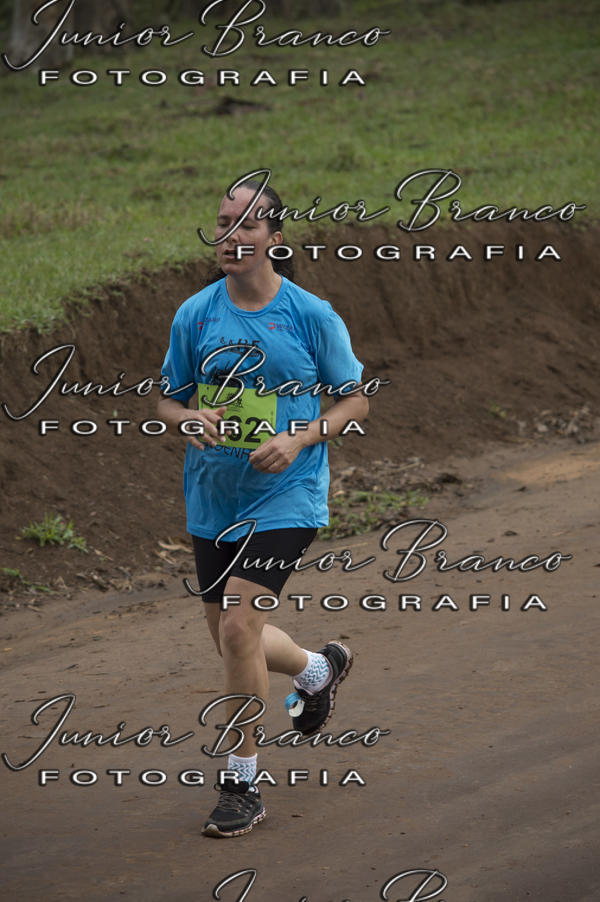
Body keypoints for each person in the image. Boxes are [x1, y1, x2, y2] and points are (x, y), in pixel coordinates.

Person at [157, 174, 369, 838]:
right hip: (214, 499)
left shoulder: (310, 314)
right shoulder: (195, 314)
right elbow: (166, 399)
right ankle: (317, 669)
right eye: (222, 223)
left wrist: (299, 438)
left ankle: (241, 782)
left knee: (239, 632)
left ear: (274, 239)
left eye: (246, 224)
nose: (230, 235)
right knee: (230, 636)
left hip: (288, 494)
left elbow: (355, 400)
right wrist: (188, 418)